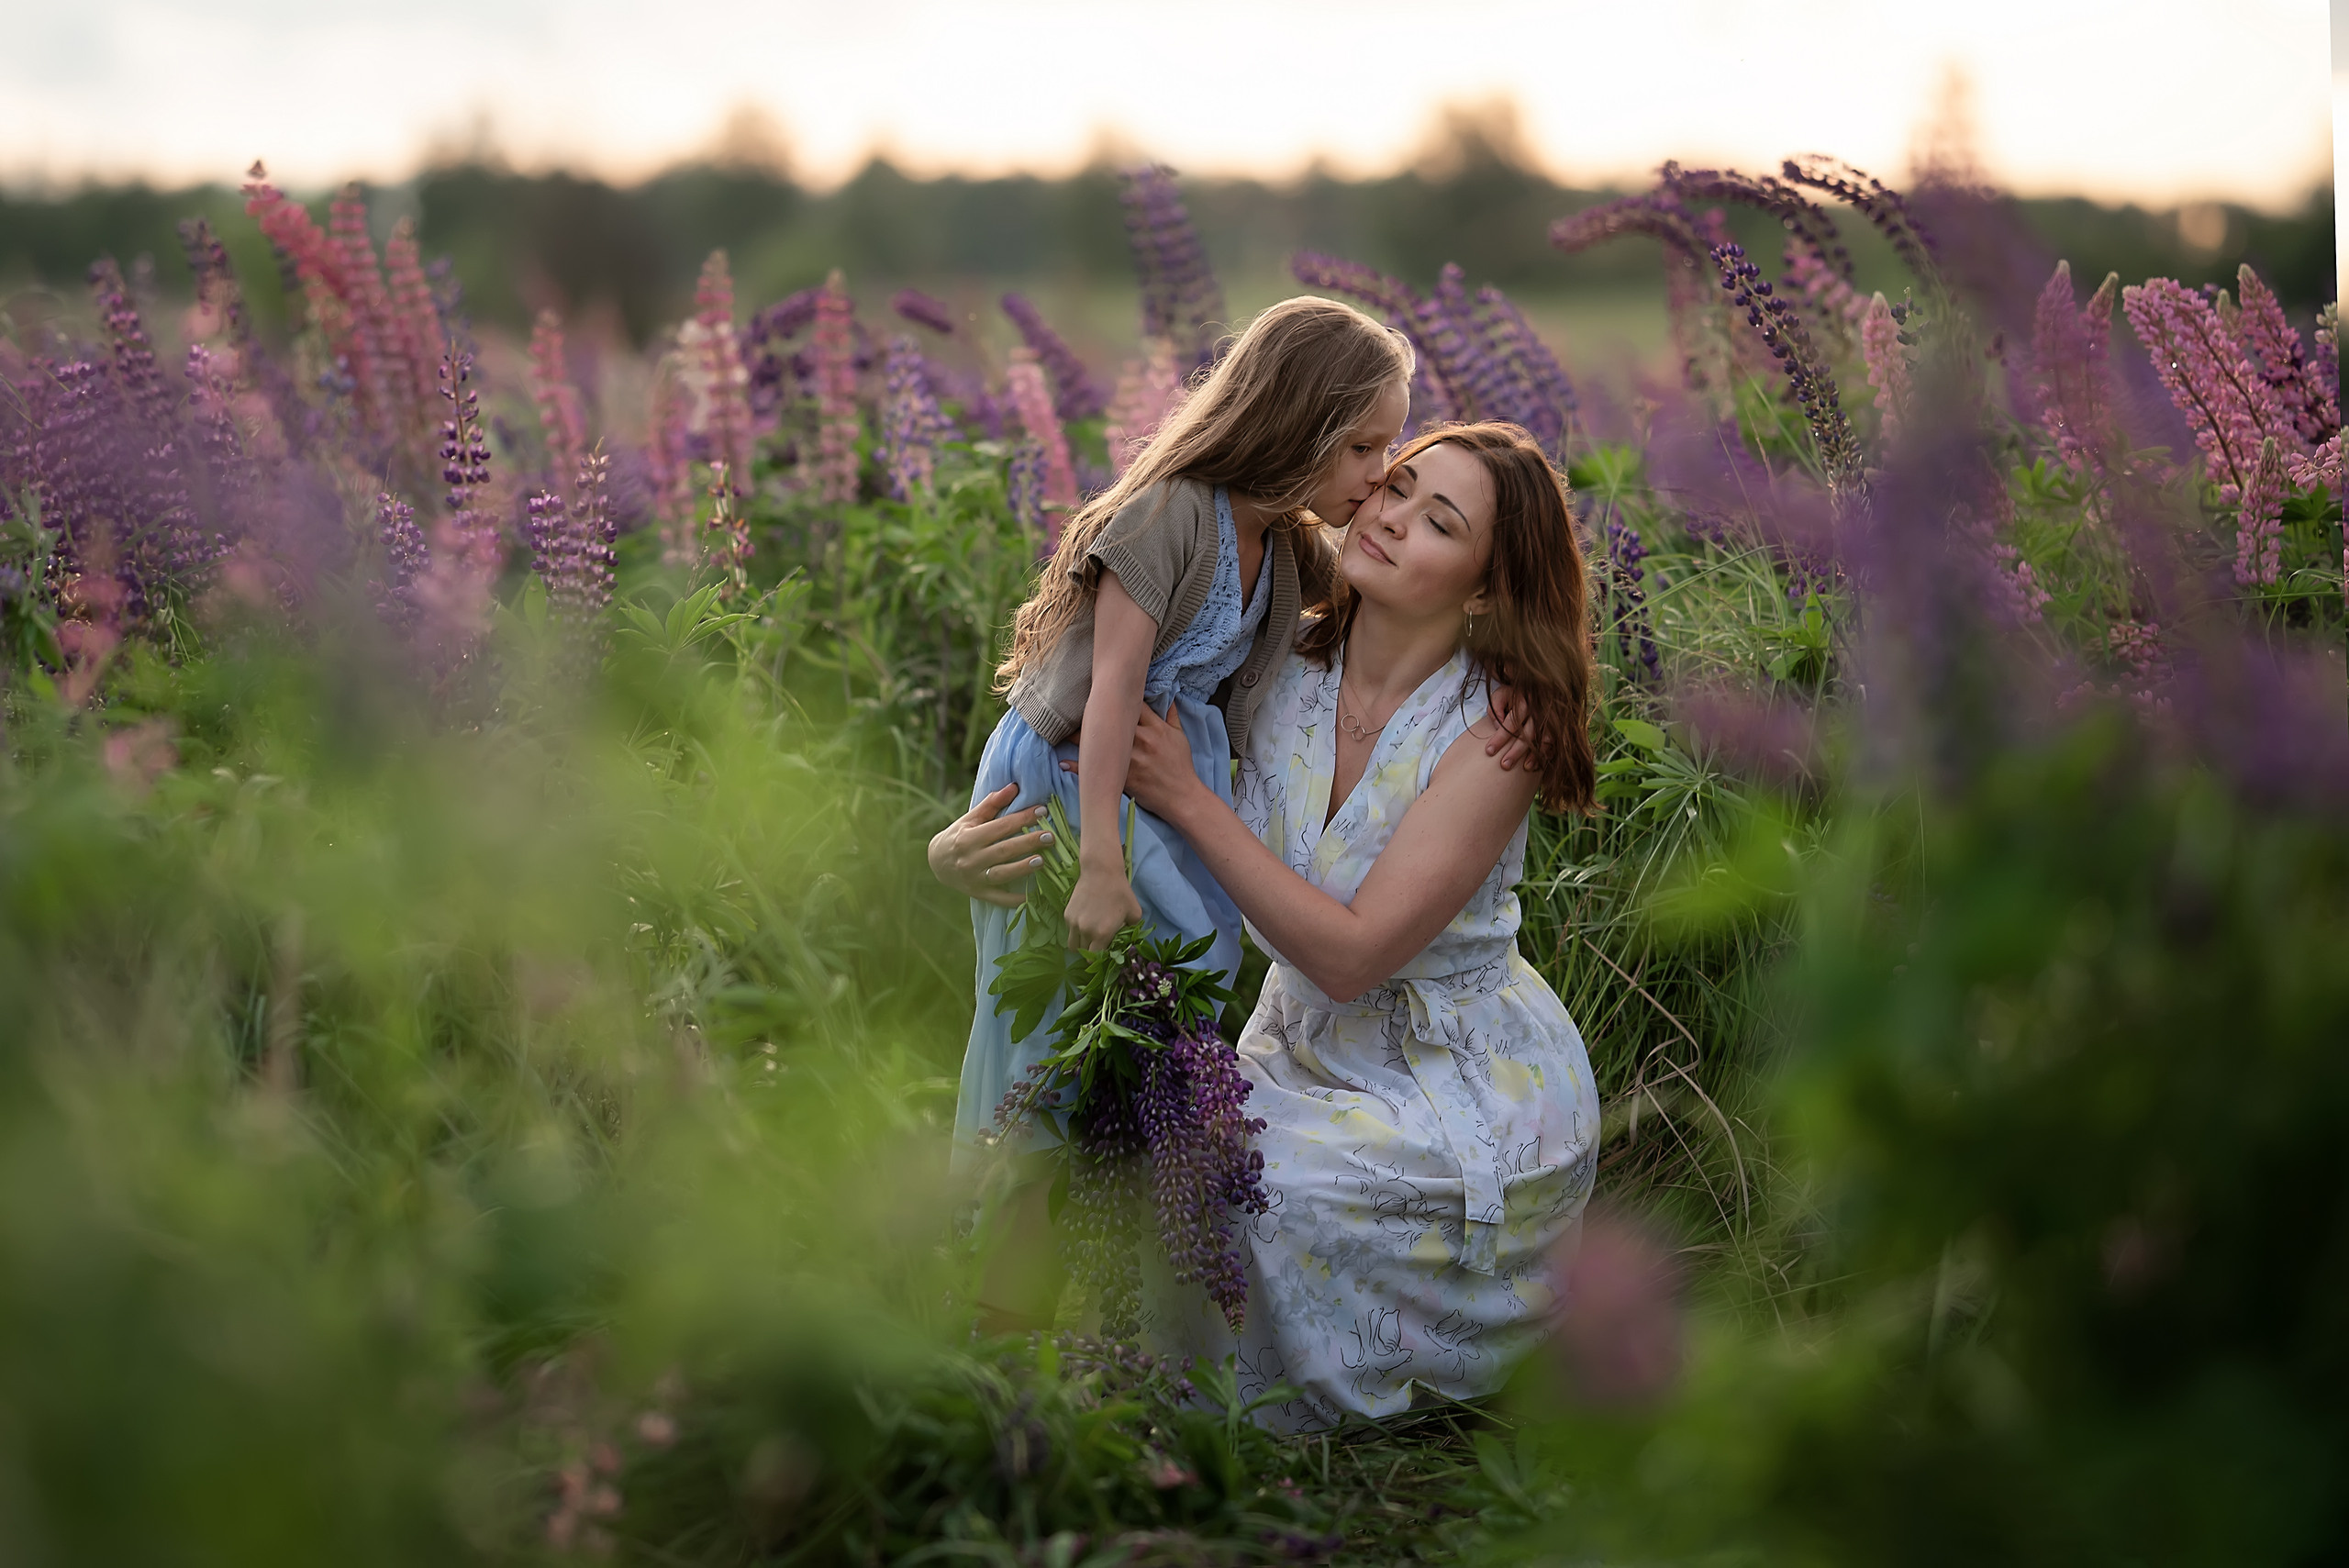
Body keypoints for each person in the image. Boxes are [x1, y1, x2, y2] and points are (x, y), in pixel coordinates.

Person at [1082, 423, 1602, 1427]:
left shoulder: (1497, 729)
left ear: (1486, 588)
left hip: (1451, 1076)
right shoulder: (1278, 660)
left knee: (1251, 1187)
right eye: (1395, 487)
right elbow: (1082, 719)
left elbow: (1354, 955)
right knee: (1159, 1151)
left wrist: (1194, 801)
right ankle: (1130, 1381)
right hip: (1296, 1047)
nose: (1393, 519)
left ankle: (1249, 1405)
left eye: (1438, 520)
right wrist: (960, 842)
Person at [934, 296, 1413, 1334]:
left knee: (1157, 1027)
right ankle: (999, 1318)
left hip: (1162, 783)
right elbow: (1111, 688)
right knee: (1053, 1043)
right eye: (1365, 445)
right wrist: (1101, 861)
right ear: (1294, 422)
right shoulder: (1171, 515)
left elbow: (1388, 601)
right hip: (1071, 780)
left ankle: (1097, 1305)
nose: (1381, 470)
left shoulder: (1281, 546)